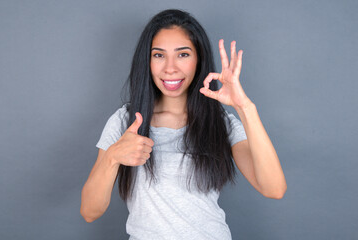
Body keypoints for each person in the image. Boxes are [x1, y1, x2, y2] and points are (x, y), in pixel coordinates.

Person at [80, 9, 287, 239]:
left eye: (183, 54)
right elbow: (90, 211)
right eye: (159, 55)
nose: (170, 68)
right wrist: (112, 157)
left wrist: (244, 107)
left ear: (198, 59)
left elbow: (274, 189)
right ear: (146, 61)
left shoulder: (220, 123)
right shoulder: (125, 122)